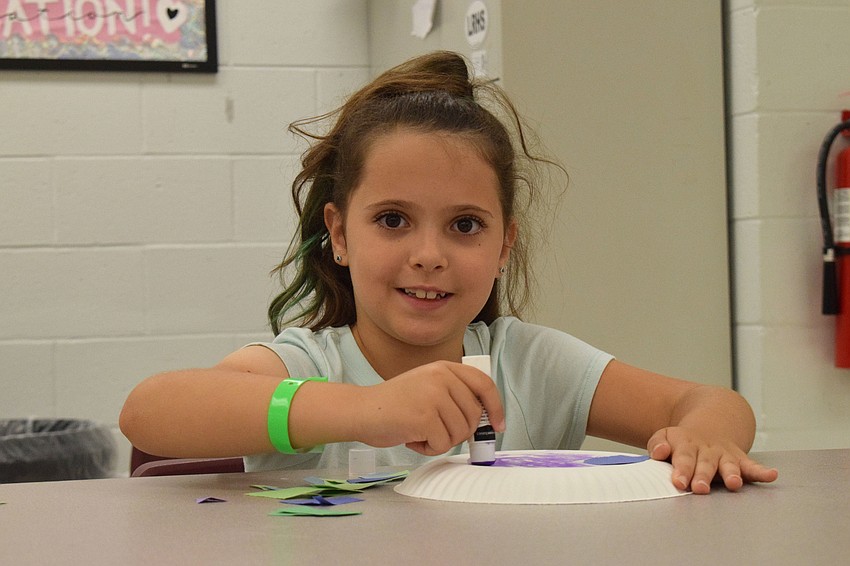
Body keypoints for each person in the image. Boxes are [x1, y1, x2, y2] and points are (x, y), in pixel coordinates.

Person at [120, 51, 778, 494]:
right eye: (393, 220)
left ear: (503, 247)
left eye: (465, 225)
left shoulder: (527, 362)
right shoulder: (308, 365)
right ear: (341, 234)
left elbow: (712, 404)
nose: (428, 254)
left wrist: (706, 439)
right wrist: (363, 409)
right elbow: (149, 412)